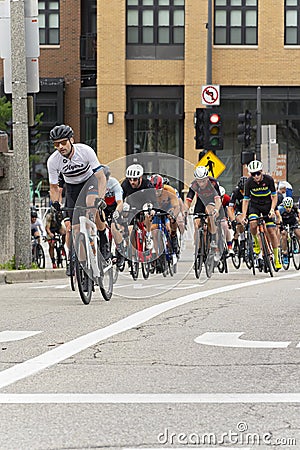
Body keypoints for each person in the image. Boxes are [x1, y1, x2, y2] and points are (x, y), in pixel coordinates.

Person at [47, 124, 107, 275]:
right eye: (56, 144)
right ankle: (78, 263)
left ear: (71, 140)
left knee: (91, 204)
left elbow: (100, 177)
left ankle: (102, 235)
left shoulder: (85, 151)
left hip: (90, 183)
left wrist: (101, 197)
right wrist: (55, 203)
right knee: (74, 229)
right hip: (72, 188)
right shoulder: (53, 161)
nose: (60, 147)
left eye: (63, 142)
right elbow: (54, 187)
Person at [240, 160, 282, 270]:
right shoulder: (249, 183)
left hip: (267, 205)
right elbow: (246, 200)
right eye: (253, 174)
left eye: (258, 173)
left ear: (262, 172)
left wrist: (272, 210)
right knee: (253, 224)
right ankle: (256, 243)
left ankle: (277, 258)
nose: (256, 176)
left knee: (271, 232)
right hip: (255, 205)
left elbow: (274, 196)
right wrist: (244, 215)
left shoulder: (269, 180)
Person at [184, 166, 223, 259]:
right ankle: (199, 249)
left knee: (209, 212)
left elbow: (218, 200)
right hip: (200, 202)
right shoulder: (194, 185)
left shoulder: (213, 183)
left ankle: (213, 239)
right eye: (199, 181)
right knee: (196, 224)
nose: (201, 183)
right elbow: (188, 200)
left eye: (203, 181)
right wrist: (185, 211)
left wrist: (216, 210)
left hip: (211, 201)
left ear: (206, 178)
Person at [121, 163, 156, 250]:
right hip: (131, 207)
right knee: (129, 227)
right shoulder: (125, 184)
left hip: (144, 206)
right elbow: (120, 199)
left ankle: (148, 235)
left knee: (148, 213)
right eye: (130, 179)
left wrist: (153, 210)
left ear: (140, 178)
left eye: (135, 179)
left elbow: (154, 201)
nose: (132, 182)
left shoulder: (147, 185)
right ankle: (129, 247)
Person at [150, 174, 184, 258]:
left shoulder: (170, 190)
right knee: (153, 229)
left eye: (159, 191)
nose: (157, 193)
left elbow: (176, 206)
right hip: (156, 208)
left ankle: (173, 236)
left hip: (168, 207)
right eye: (155, 191)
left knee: (171, 222)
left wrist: (173, 215)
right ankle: (157, 253)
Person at [227, 176, 248, 255]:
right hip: (240, 210)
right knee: (239, 221)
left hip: (250, 209)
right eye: (242, 190)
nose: (243, 192)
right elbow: (230, 207)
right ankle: (241, 239)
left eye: (245, 190)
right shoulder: (235, 192)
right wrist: (232, 220)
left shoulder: (251, 190)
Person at [278, 196, 300, 264]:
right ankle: (285, 253)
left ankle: (297, 245)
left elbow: (299, 214)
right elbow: (278, 218)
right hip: (283, 221)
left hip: (292, 220)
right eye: (286, 207)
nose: (288, 209)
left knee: (298, 233)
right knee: (284, 234)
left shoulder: (295, 207)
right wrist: (280, 225)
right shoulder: (280, 209)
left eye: (289, 207)